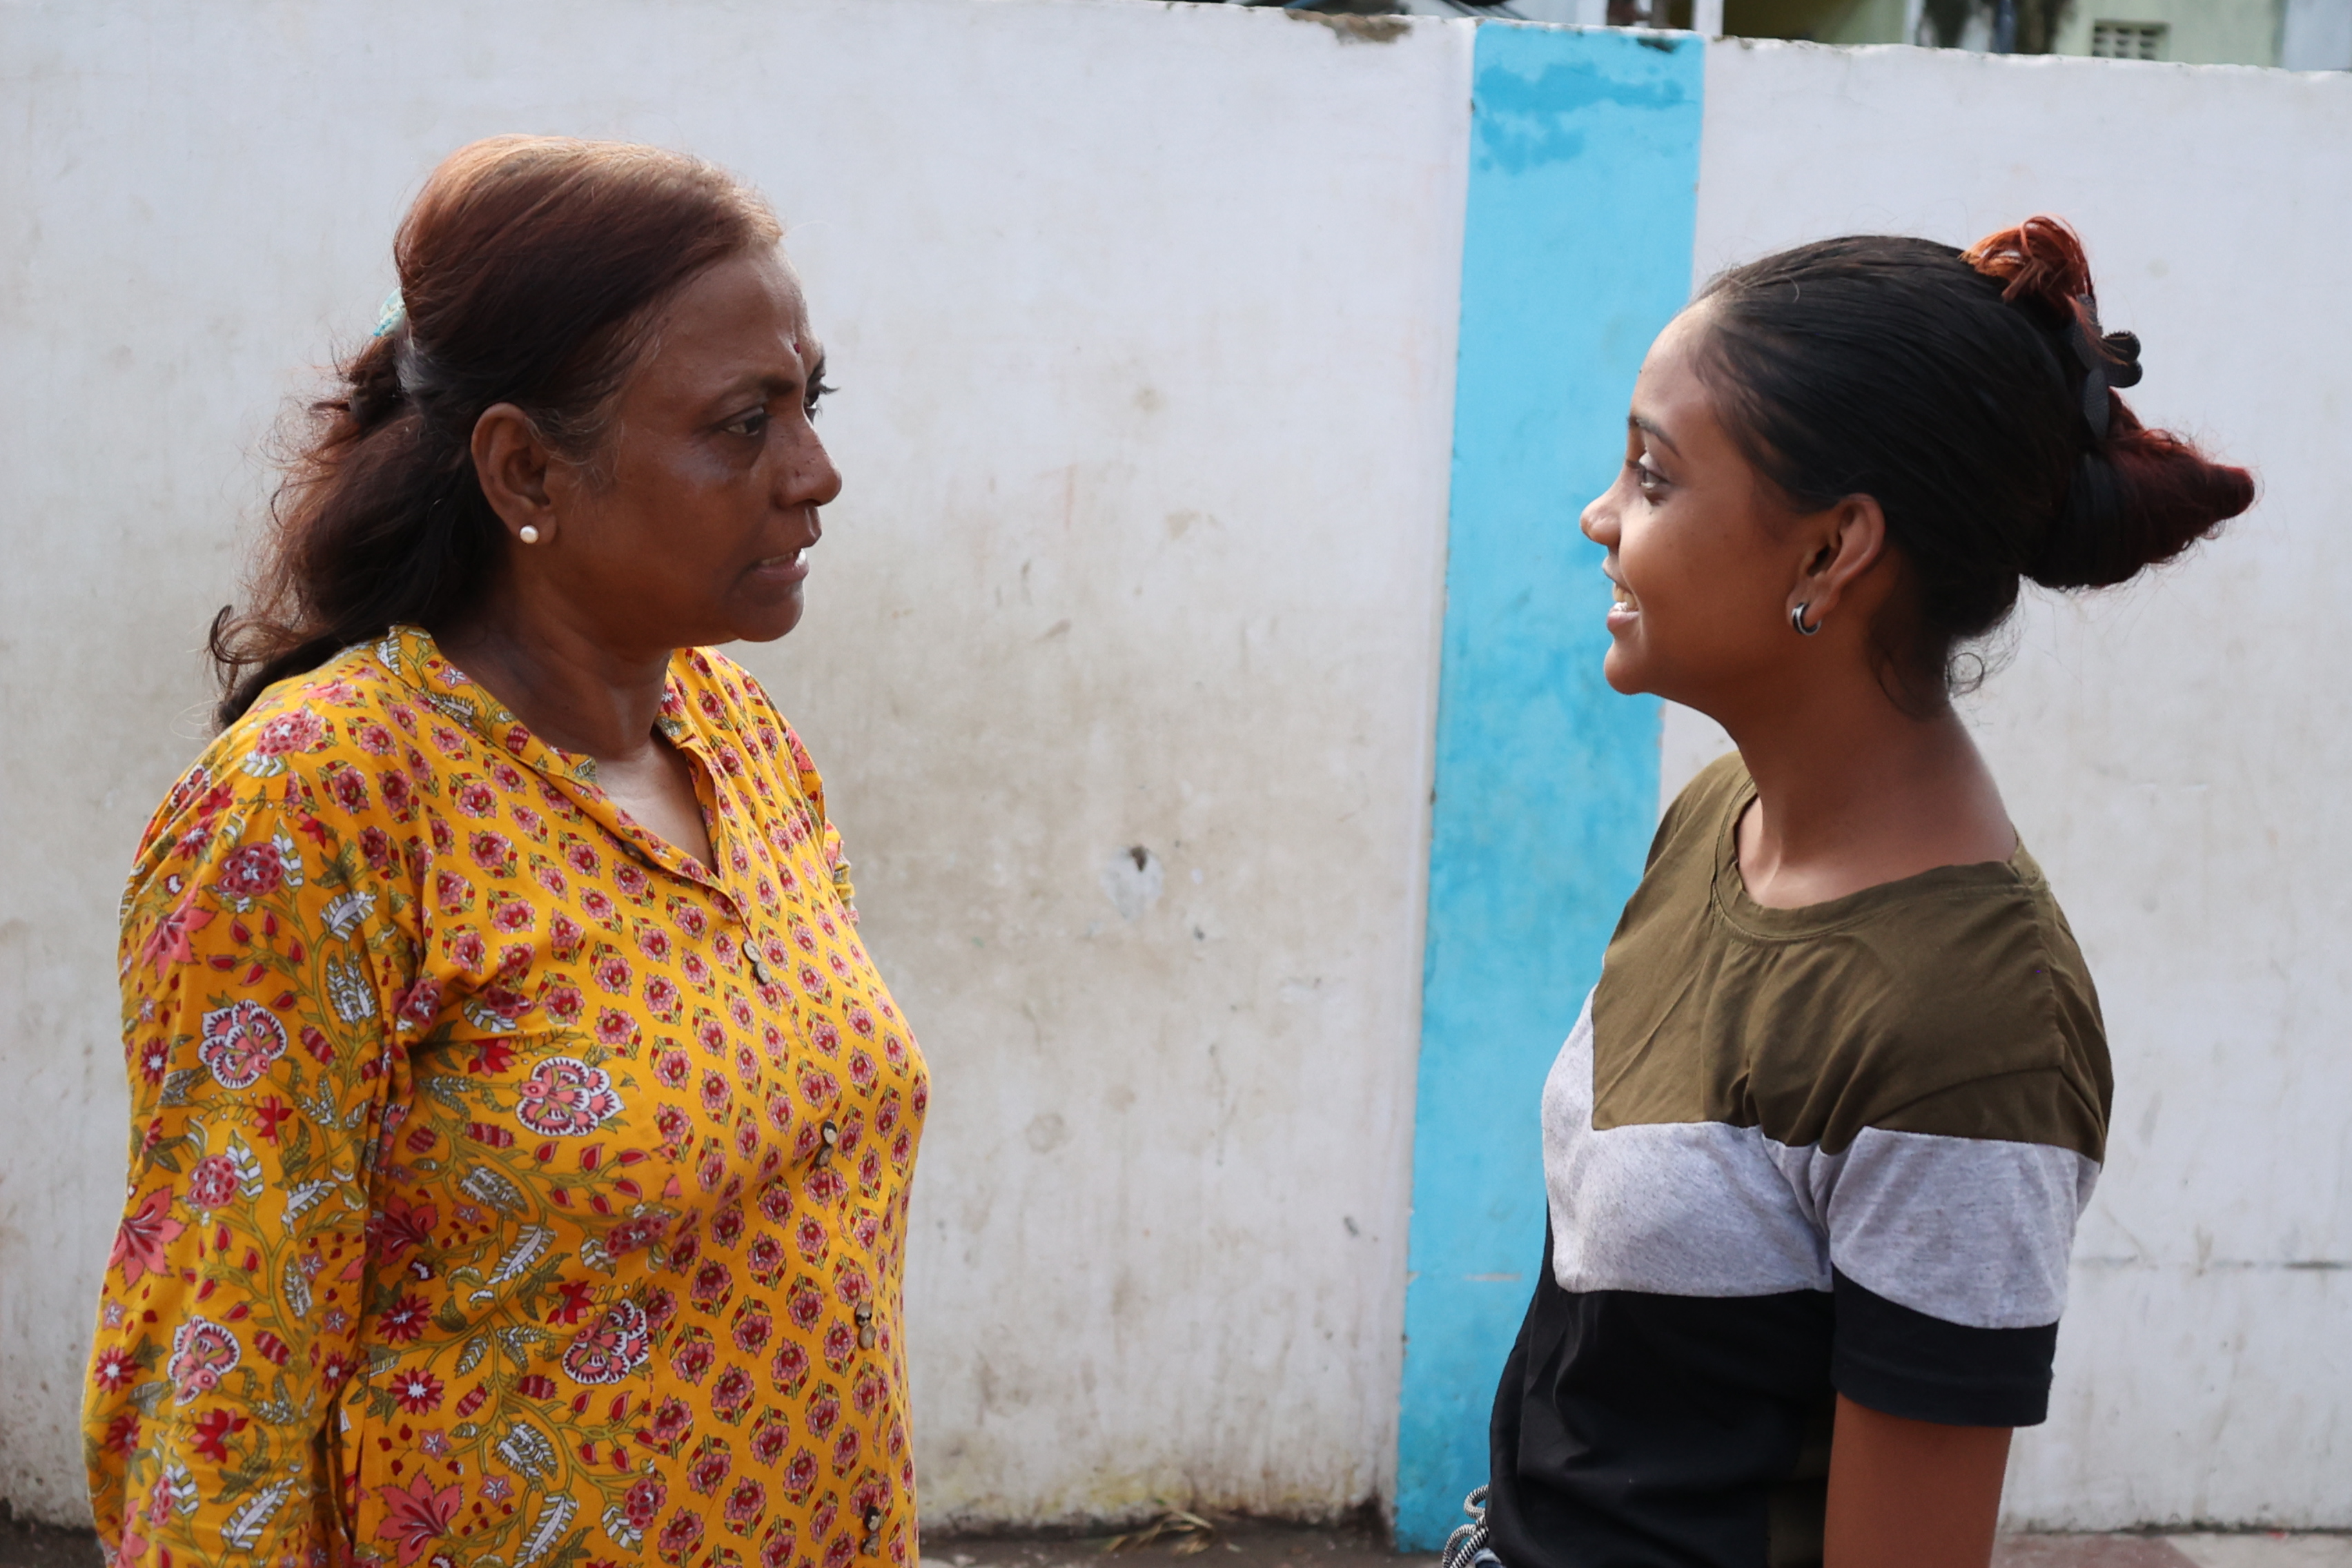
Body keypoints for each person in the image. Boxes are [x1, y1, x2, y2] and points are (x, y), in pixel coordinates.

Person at [84, 136, 928, 1568]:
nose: (817, 471)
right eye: (743, 422)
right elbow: (213, 1388)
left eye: (812, 400)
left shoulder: (738, 737)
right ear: (527, 465)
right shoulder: (323, 808)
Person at [1451, 218, 2253, 1568]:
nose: (1601, 514)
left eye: (1652, 477)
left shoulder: (1967, 1032)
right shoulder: (1720, 818)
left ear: (1831, 554)